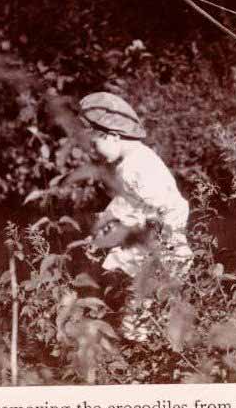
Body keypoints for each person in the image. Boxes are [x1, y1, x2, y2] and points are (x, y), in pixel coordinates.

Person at [78, 92, 192, 278]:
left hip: (163, 251)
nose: (92, 152)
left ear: (113, 136)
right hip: (148, 245)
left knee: (142, 296)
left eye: (94, 145)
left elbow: (163, 209)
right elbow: (126, 203)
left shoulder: (139, 165)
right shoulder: (130, 162)